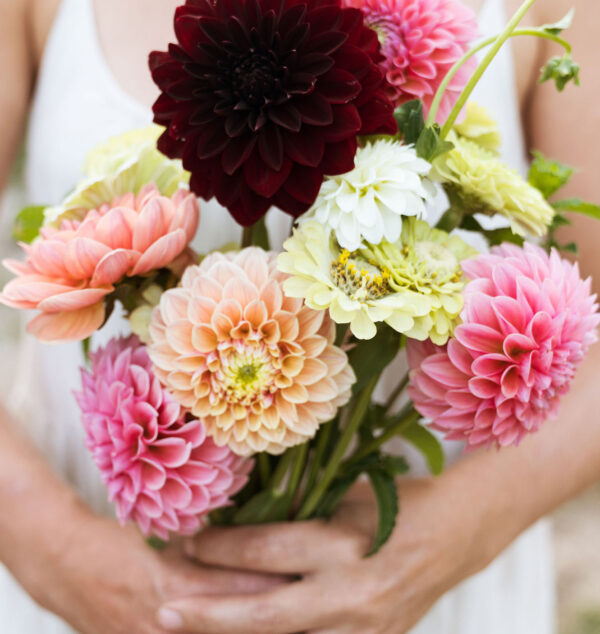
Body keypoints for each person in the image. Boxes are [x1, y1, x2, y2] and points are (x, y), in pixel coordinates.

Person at [0, 0, 599, 632]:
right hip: (90, 594)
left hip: (430, 596)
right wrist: (54, 543)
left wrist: (462, 527)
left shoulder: (548, 13)